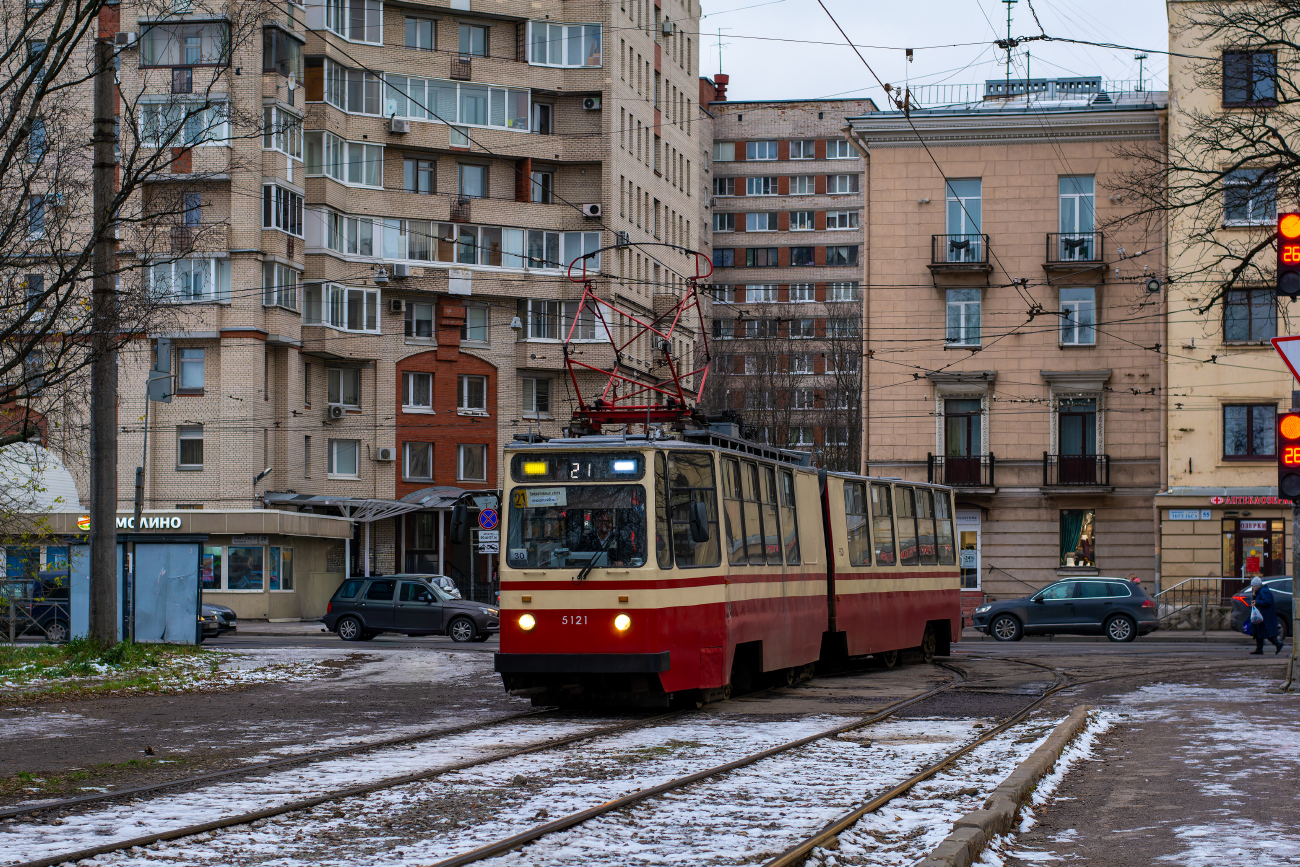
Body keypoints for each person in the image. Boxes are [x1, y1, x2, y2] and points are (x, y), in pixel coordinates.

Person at [1249, 576, 1285, 655]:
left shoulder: (1263, 591)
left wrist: (1257, 602)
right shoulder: (1261, 590)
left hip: (1265, 615)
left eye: (1253, 586)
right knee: (1259, 632)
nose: (1252, 588)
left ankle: (1278, 643)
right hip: (1262, 615)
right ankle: (1259, 649)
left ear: (1256, 585)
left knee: (1266, 632)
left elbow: (1267, 601)